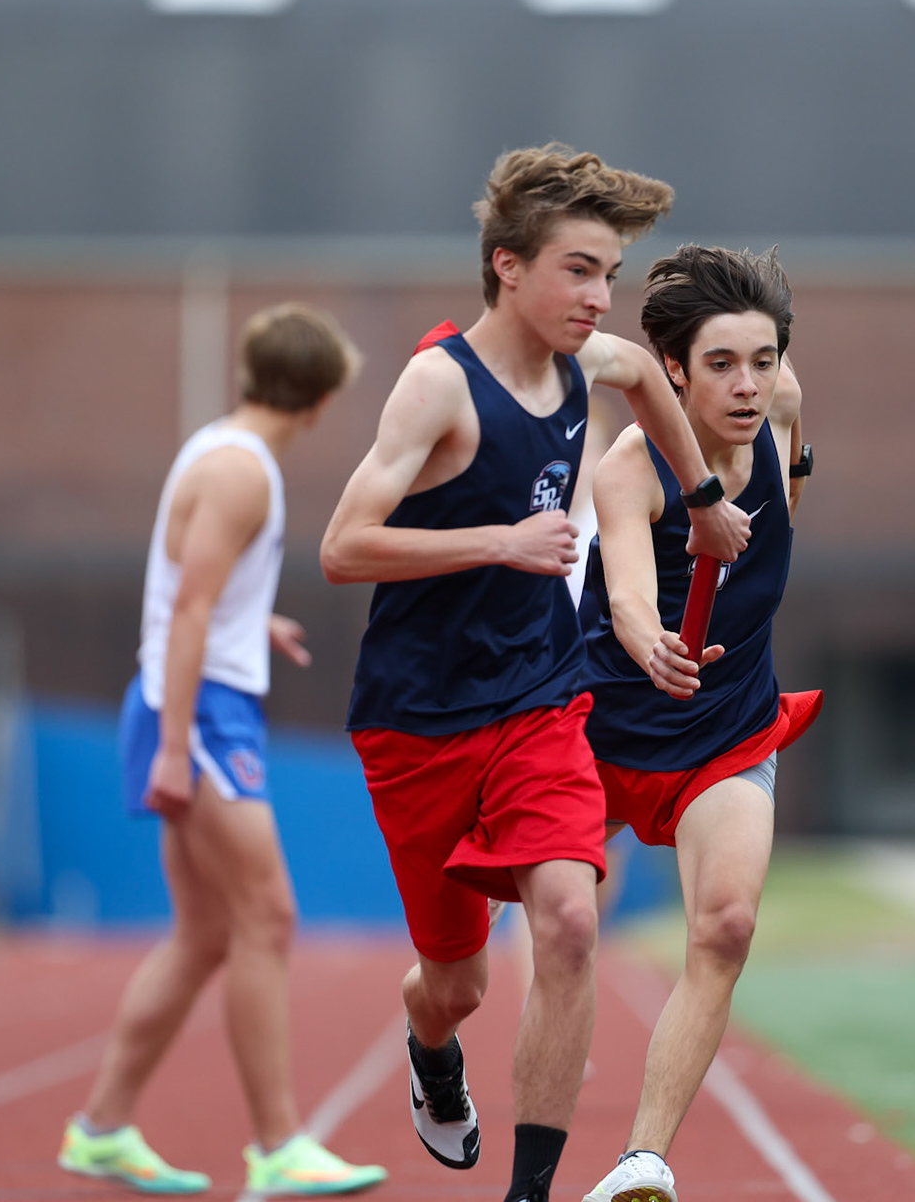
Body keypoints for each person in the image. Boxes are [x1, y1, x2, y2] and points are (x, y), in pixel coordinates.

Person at [318, 144, 751, 1202]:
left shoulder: (589, 360)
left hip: (541, 699)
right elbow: (341, 547)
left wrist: (699, 497)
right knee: (456, 980)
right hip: (418, 719)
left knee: (567, 916)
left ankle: (531, 1192)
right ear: (508, 266)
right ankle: (431, 1040)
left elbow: (649, 376)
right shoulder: (437, 388)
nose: (599, 297)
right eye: (578, 270)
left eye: (609, 273)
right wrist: (495, 542)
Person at [58, 304, 387, 1198]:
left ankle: (101, 1127)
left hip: (198, 699)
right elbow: (191, 606)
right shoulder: (244, 472)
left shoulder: (219, 448)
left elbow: (195, 590)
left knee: (207, 933)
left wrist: (256, 621)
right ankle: (278, 1143)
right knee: (267, 917)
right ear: (319, 401)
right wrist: (173, 748)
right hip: (196, 714)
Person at [574, 245, 819, 1202]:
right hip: (603, 725)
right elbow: (630, 593)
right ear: (671, 369)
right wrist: (650, 644)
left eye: (762, 360)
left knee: (725, 925)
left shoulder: (781, 403)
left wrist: (793, 469)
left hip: (728, 726)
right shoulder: (630, 471)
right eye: (722, 364)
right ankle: (434, 1033)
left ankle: (642, 1163)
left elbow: (792, 484)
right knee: (490, 953)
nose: (749, 384)